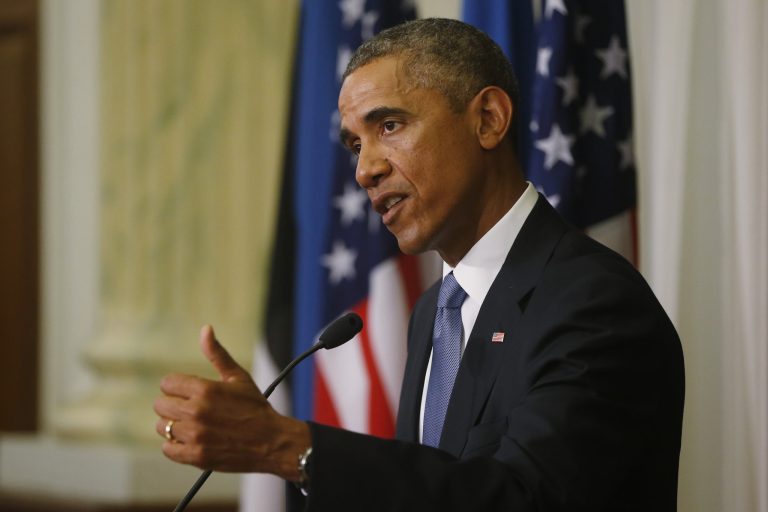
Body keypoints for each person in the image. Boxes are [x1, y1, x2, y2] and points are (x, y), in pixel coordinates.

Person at [154, 18, 684, 511]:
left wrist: (287, 445)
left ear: (488, 119)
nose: (364, 170)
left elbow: (522, 497)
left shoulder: (594, 303)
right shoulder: (434, 311)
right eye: (355, 145)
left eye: (389, 125)